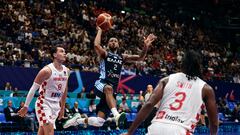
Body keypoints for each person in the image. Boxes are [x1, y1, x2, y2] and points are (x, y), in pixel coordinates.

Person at [63, 27, 156, 129]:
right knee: (108, 88)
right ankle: (116, 115)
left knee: (99, 121)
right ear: (108, 44)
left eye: (115, 41)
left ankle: (77, 120)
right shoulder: (105, 54)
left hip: (111, 92)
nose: (113, 42)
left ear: (118, 44)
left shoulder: (122, 57)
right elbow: (96, 45)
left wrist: (146, 46)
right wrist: (100, 30)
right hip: (101, 83)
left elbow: (140, 58)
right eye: (111, 41)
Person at [122, 50, 218, 135]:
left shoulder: (166, 80)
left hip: (157, 127)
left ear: (182, 64)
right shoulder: (206, 89)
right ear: (199, 67)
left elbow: (149, 104)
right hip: (181, 130)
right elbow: (213, 123)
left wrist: (130, 132)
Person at [18, 46, 70, 135]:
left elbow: (64, 90)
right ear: (54, 55)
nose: (65, 53)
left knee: (42, 132)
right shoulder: (46, 71)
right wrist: (26, 106)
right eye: (61, 51)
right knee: (50, 132)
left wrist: (62, 108)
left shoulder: (67, 71)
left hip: (56, 106)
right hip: (43, 104)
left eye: (65, 51)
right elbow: (33, 89)